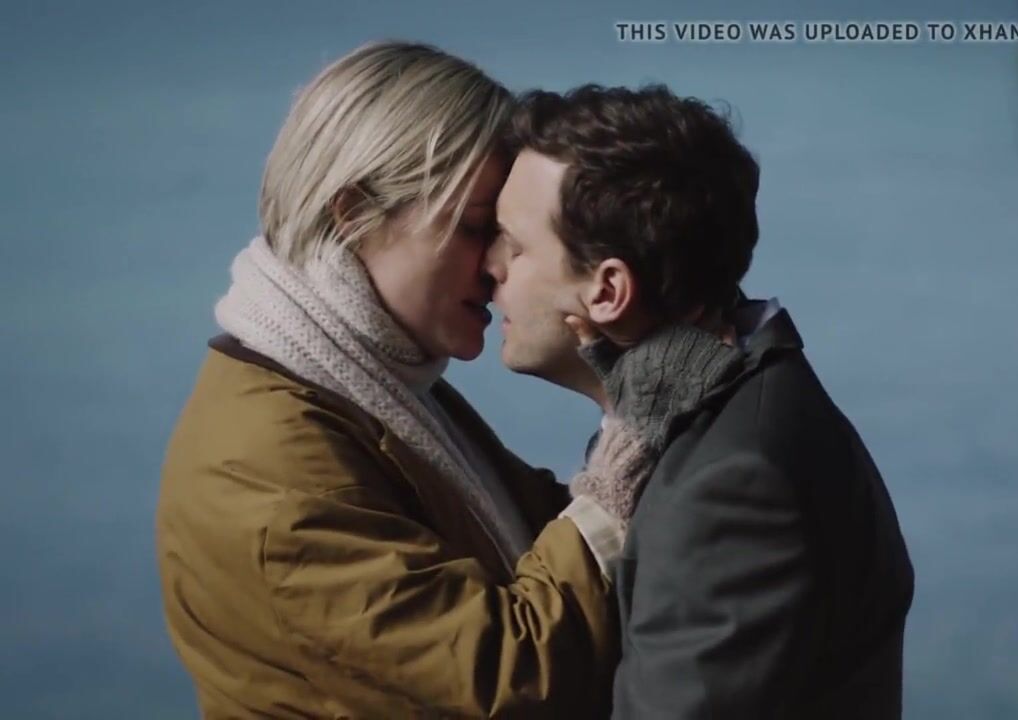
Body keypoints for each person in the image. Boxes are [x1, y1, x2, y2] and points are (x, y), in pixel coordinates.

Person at [156, 41, 673, 718]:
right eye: (476, 228)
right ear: (353, 214)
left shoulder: (359, 390)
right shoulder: (262, 471)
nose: (499, 264)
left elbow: (531, 536)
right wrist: (631, 447)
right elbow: (509, 675)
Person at [486, 84, 917, 718]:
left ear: (607, 292)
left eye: (515, 246)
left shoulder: (734, 482)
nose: (490, 267)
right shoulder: (706, 414)